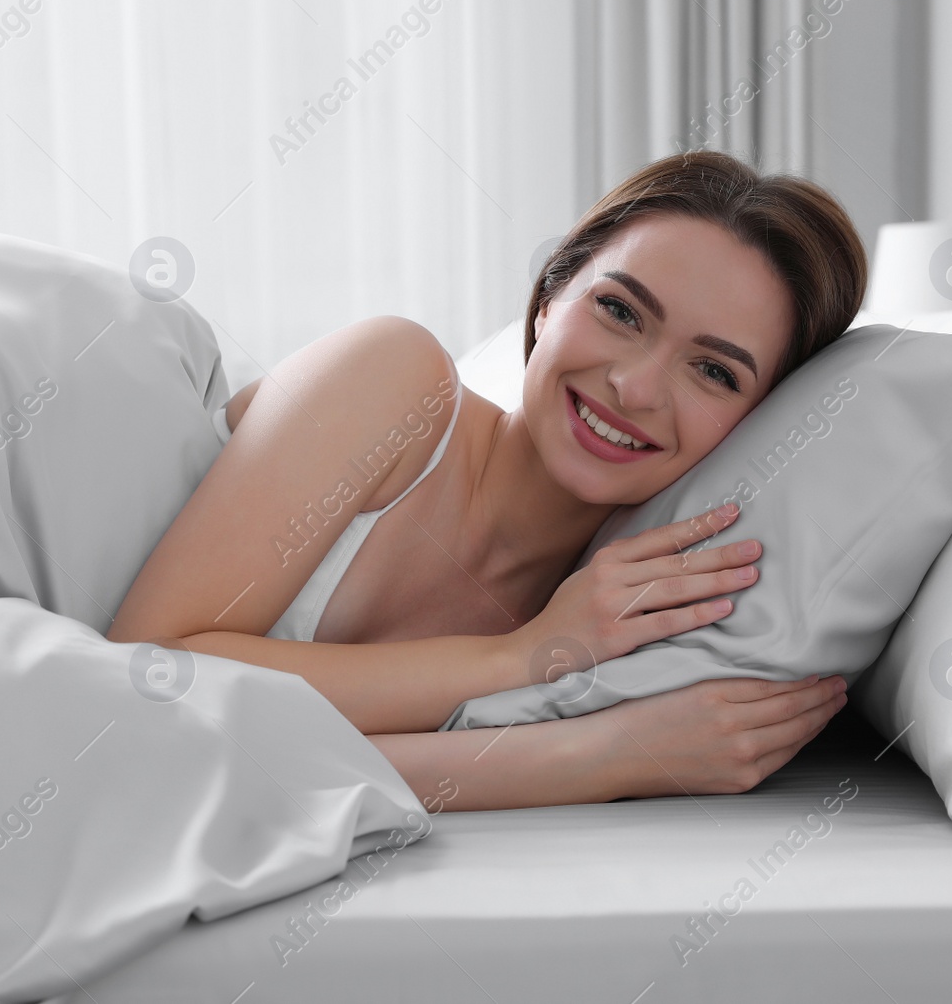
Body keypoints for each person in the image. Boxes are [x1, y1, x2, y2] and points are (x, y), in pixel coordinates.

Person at [110, 150, 867, 812]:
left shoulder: (620, 629)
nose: (635, 387)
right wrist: (581, 735)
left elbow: (253, 752)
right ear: (547, 301)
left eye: (713, 370)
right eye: (619, 310)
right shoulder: (397, 381)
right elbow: (148, 675)